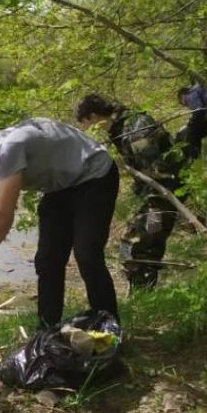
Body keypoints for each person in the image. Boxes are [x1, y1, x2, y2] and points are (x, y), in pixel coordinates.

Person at [0, 119, 119, 328]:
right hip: (61, 187)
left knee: (87, 255)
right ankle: (46, 329)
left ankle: (109, 325)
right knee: (47, 260)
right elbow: (4, 220)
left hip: (95, 175)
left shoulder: (9, 149)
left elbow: (0, 213)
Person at [75, 93, 185, 290]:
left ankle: (143, 291)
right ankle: (142, 291)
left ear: (93, 116)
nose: (88, 129)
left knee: (140, 244)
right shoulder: (120, 127)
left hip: (164, 192)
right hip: (155, 193)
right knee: (134, 243)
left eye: (86, 124)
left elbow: (157, 169)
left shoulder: (135, 126)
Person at [176, 83, 207, 159]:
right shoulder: (199, 88)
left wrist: (190, 124)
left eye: (182, 103)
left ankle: (195, 158)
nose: (186, 105)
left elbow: (198, 112)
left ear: (182, 96)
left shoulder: (190, 95)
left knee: (193, 132)